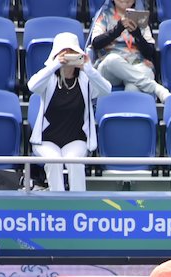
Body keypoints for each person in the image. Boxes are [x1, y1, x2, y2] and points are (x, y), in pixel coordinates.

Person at [28, 32, 112, 192]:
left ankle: (78, 203)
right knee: (53, 161)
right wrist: (55, 65)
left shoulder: (86, 79)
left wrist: (87, 67)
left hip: (76, 138)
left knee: (74, 162)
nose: (68, 56)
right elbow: (32, 86)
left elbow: (106, 90)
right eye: (64, 52)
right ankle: (58, 203)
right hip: (46, 139)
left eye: (72, 52)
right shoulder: (49, 78)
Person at [90, 0, 170, 101]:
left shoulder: (141, 17)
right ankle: (157, 88)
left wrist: (137, 34)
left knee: (134, 86)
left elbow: (150, 52)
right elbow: (96, 43)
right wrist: (117, 30)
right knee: (112, 60)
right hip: (109, 69)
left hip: (136, 64)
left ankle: (127, 113)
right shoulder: (103, 16)